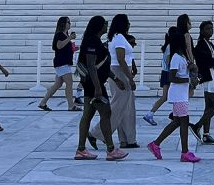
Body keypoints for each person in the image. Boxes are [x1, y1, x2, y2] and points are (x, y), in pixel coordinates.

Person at [74, 15, 125, 161]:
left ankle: (81, 149)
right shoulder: (92, 41)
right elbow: (91, 65)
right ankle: (110, 149)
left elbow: (101, 65)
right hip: (93, 85)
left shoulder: (95, 41)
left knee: (88, 115)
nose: (106, 26)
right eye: (105, 24)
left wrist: (115, 78)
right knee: (105, 113)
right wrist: (97, 87)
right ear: (99, 26)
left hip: (93, 84)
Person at [147, 27, 201, 163]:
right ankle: (184, 152)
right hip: (178, 94)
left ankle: (156, 144)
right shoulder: (176, 58)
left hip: (181, 93)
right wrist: (188, 80)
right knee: (184, 121)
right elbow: (172, 77)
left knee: (178, 122)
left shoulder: (181, 57)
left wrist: (191, 70)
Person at [93, 14, 139, 149]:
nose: (129, 24)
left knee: (126, 107)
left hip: (123, 70)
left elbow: (127, 57)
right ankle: (96, 132)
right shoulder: (118, 38)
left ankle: (127, 139)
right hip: (120, 71)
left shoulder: (120, 37)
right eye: (127, 22)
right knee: (118, 106)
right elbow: (120, 59)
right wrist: (129, 79)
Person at [191, 20, 214, 145]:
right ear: (202, 30)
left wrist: (213, 62)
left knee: (209, 107)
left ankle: (206, 134)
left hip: (212, 75)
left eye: (211, 28)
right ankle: (197, 126)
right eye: (208, 29)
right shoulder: (200, 45)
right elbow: (207, 62)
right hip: (207, 77)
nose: (210, 31)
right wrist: (213, 62)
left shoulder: (210, 44)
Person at [38, 16, 77, 112]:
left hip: (63, 62)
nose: (69, 24)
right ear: (63, 24)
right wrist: (70, 38)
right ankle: (71, 105)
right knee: (69, 83)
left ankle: (43, 102)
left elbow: (66, 48)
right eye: (68, 22)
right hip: (62, 63)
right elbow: (59, 46)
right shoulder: (60, 35)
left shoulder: (65, 35)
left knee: (58, 84)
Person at [143, 26, 177, 126]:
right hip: (169, 73)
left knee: (166, 96)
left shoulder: (168, 45)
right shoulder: (171, 46)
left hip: (165, 72)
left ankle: (151, 114)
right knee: (168, 96)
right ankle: (151, 114)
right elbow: (168, 60)